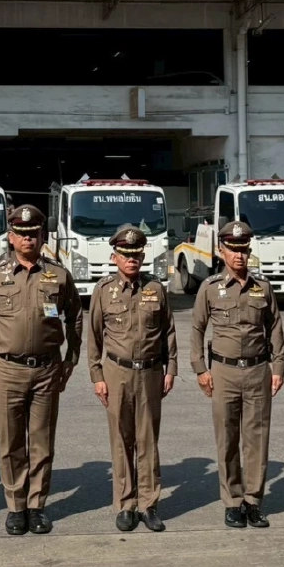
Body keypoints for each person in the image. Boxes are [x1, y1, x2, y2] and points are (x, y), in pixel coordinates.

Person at [0, 204, 83, 536]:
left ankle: (37, 506)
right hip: (7, 370)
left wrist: (71, 359)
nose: (28, 239)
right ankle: (16, 506)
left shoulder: (59, 275)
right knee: (11, 442)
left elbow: (75, 317)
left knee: (42, 442)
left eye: (33, 234)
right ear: (11, 236)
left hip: (47, 370)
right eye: (21, 233)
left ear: (42, 236)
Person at [190, 220, 284, 529]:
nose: (239, 256)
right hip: (223, 372)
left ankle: (253, 501)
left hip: (257, 370)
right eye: (233, 250)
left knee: (256, 440)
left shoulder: (263, 287)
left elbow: (275, 328)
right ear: (221, 250)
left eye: (243, 249)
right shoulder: (210, 287)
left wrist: (278, 367)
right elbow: (197, 329)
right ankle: (232, 501)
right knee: (227, 438)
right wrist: (201, 369)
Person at [86, 224, 178, 533]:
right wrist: (97, 376)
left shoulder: (156, 289)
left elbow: (168, 333)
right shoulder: (103, 291)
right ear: (114, 257)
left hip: (151, 372)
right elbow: (94, 338)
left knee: (148, 440)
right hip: (117, 372)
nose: (132, 260)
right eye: (126, 255)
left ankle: (148, 504)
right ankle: (125, 504)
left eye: (137, 254)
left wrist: (171, 369)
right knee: (122, 439)